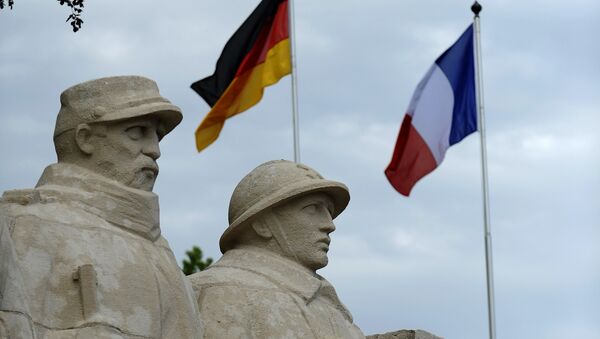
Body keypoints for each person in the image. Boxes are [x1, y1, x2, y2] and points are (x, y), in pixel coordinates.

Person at [0, 76, 203, 338]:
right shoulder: (22, 225)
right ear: (85, 139)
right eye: (137, 132)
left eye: (158, 136)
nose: (154, 150)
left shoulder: (163, 254)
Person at [190, 160, 365, 339]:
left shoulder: (328, 305)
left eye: (329, 211)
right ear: (262, 224)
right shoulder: (219, 291)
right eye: (313, 208)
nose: (329, 225)